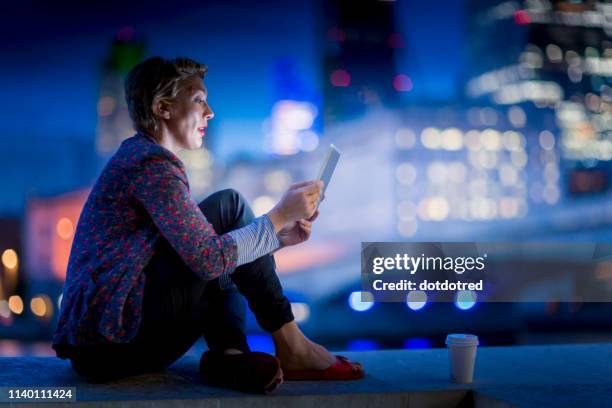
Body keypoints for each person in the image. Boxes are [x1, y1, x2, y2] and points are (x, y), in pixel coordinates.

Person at [52, 56, 364, 394]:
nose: (210, 111)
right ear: (163, 108)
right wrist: (278, 217)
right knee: (229, 206)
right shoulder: (149, 163)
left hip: (108, 344)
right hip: (111, 344)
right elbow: (209, 259)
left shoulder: (143, 158)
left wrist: (276, 237)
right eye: (198, 99)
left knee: (223, 235)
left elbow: (205, 252)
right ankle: (292, 346)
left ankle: (230, 357)